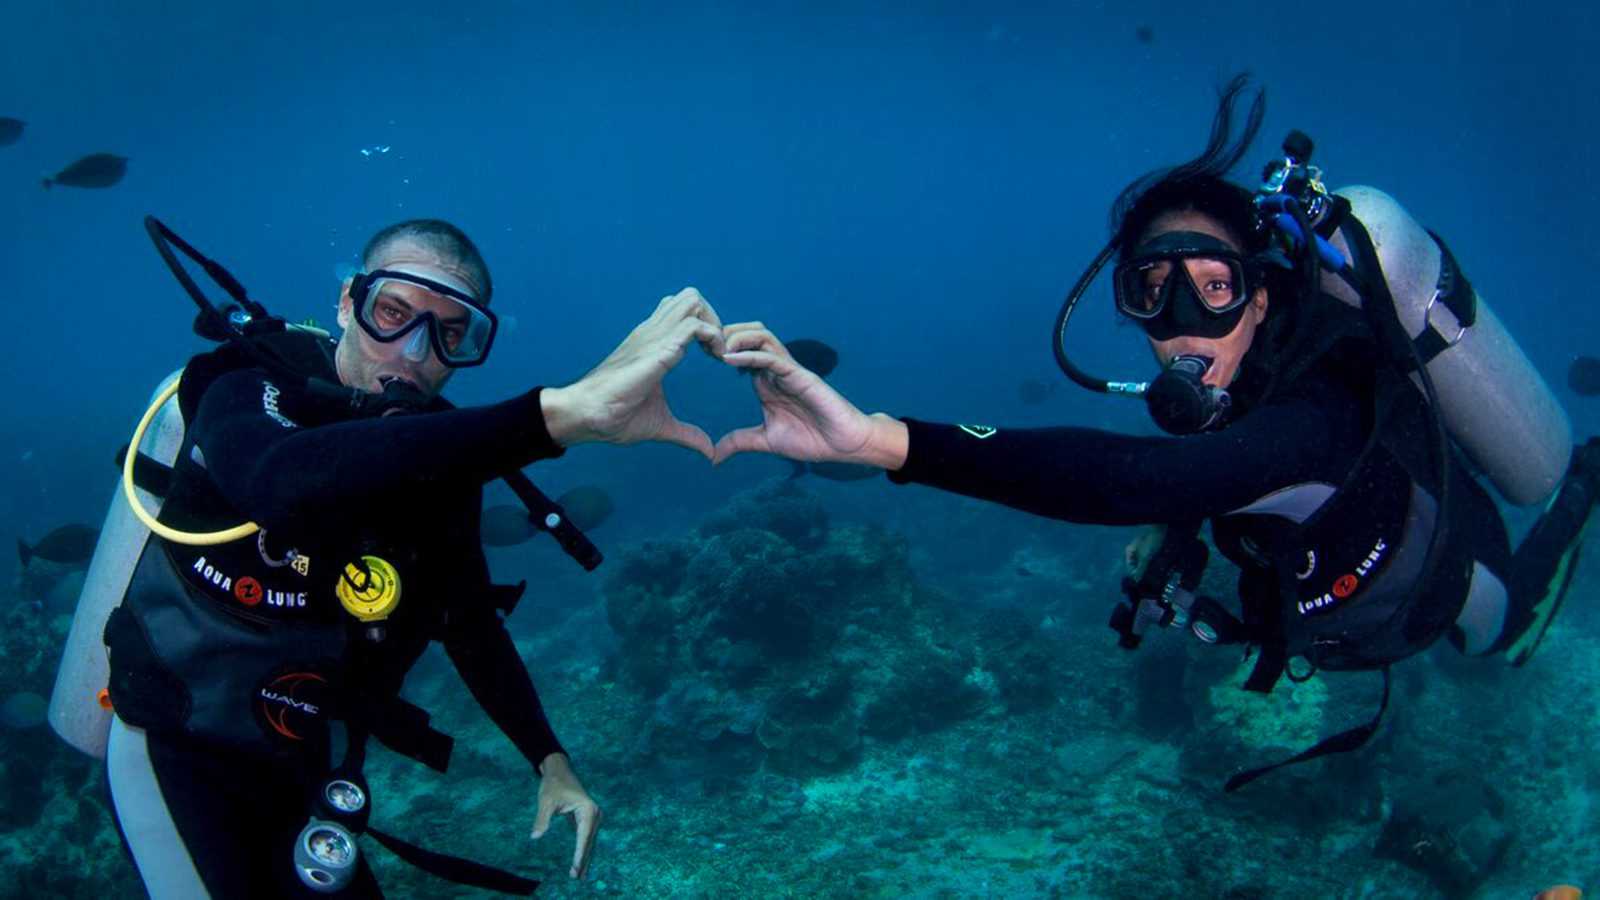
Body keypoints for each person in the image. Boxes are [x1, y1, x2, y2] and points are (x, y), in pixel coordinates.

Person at [712, 79, 1599, 787]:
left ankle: (1587, 482)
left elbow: (1137, 479)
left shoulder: (1315, 411)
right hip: (1333, 566)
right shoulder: (1242, 388)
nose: (1181, 322)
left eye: (1212, 288)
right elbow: (1204, 475)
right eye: (1151, 291)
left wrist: (879, 440)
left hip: (1444, 568)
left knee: (1498, 642)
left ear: (1260, 296)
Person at [101, 218, 727, 897]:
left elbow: (467, 620)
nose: (413, 352)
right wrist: (558, 417)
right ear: (348, 303)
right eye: (392, 313)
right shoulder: (249, 380)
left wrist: (550, 761)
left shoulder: (442, 454)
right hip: (172, 742)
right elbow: (279, 480)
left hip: (298, 762)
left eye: (449, 333)